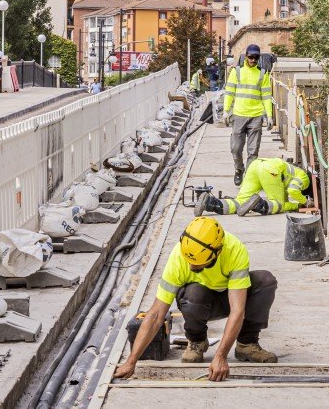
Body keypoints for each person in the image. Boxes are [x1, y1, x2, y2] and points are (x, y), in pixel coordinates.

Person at [113, 218, 278, 382]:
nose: (192, 267)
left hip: (229, 298)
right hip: (199, 302)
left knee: (265, 281)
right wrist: (131, 360)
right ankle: (197, 341)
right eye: (190, 262)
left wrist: (221, 356)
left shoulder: (234, 250)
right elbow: (156, 314)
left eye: (199, 265)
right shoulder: (178, 257)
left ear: (218, 251)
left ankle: (246, 344)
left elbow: (237, 310)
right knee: (193, 293)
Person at [223, 44, 274, 184]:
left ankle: (249, 178)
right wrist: (226, 111)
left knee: (253, 151)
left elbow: (266, 96)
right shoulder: (237, 72)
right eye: (251, 57)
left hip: (256, 116)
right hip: (239, 115)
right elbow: (229, 92)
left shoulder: (263, 74)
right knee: (235, 148)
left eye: (256, 57)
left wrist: (269, 115)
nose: (253, 60)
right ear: (246, 56)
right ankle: (239, 169)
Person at [196, 157, 312, 216]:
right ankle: (258, 204)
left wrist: (293, 204)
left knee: (240, 201)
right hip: (269, 169)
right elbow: (293, 190)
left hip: (255, 164)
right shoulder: (304, 178)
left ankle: (211, 203)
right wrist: (302, 202)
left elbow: (286, 194)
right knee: (278, 205)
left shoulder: (290, 172)